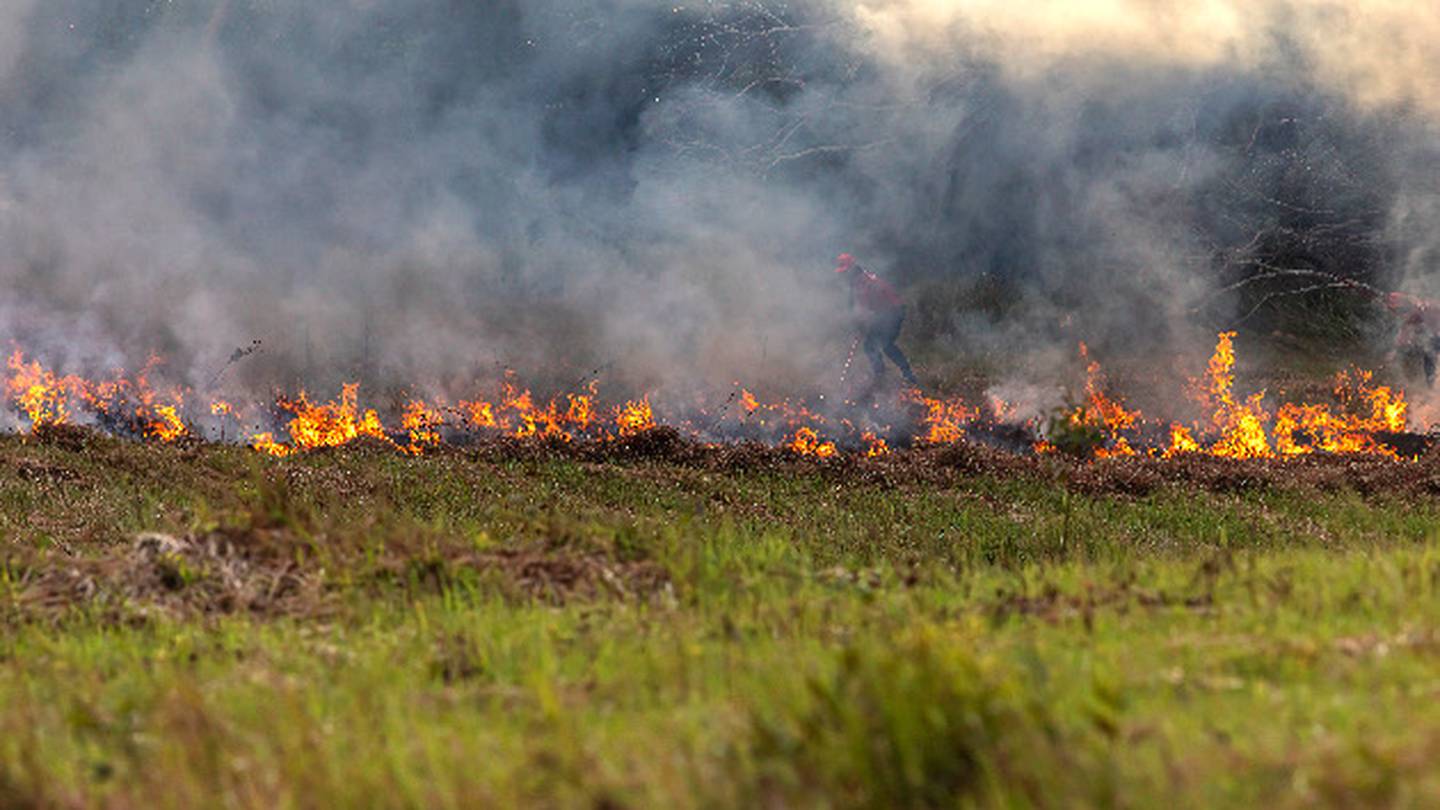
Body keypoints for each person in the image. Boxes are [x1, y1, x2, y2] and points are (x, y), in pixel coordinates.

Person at [834, 253, 919, 388]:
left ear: (851, 269)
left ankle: (904, 376)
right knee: (872, 344)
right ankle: (883, 375)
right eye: (842, 271)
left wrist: (862, 324)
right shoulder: (857, 281)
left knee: (883, 344)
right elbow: (860, 308)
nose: (843, 274)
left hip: (892, 311)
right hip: (885, 312)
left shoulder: (863, 282)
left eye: (845, 271)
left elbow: (867, 308)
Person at [1384, 291, 1440, 386]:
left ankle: (1431, 384)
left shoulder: (1423, 307)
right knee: (1428, 352)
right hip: (1434, 337)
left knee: (1430, 351)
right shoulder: (1415, 312)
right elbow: (1406, 329)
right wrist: (1395, 350)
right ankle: (1431, 384)